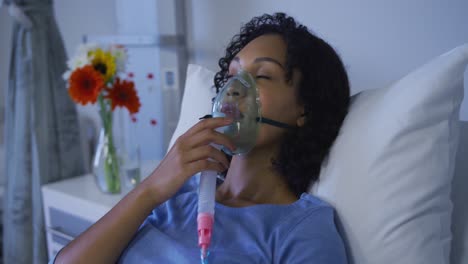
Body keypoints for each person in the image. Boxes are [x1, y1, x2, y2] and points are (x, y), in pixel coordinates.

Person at [53, 12, 350, 263]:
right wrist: (153, 188)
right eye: (233, 74)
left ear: (304, 109)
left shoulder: (302, 230)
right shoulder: (174, 194)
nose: (235, 88)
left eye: (262, 76)